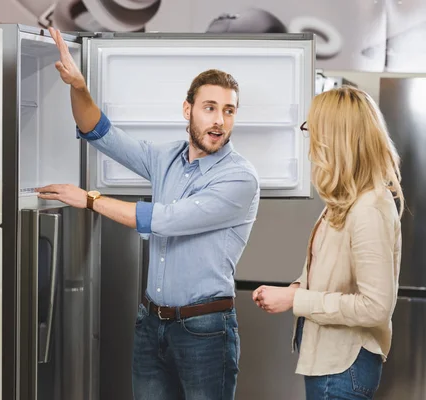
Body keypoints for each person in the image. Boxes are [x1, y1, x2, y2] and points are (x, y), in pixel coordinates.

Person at [36, 28, 260, 400]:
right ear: (187, 109)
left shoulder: (239, 178)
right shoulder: (166, 158)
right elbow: (100, 132)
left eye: (229, 110)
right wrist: (78, 87)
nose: (219, 120)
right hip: (151, 323)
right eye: (210, 108)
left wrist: (90, 199)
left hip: (205, 329)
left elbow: (165, 219)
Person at [252, 86, 404, 400]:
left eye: (314, 132)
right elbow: (331, 274)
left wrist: (298, 301)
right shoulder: (348, 201)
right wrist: (295, 290)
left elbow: (375, 307)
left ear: (336, 139)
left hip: (344, 369)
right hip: (333, 364)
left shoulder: (369, 209)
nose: (310, 148)